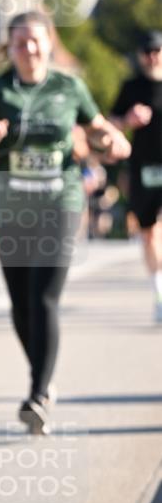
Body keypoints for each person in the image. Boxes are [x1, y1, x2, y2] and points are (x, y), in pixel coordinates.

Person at [0, 11, 130, 434]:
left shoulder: (68, 86)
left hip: (61, 201)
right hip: (11, 209)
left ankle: (37, 395)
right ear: (9, 47)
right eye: (20, 43)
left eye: (36, 41)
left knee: (44, 297)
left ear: (49, 42)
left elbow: (96, 127)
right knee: (20, 305)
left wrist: (113, 138)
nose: (30, 49)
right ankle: (44, 377)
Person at [110, 30, 162, 323]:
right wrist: (127, 120)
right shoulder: (131, 88)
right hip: (143, 169)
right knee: (150, 233)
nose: (153, 57)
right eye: (147, 52)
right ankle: (159, 292)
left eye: (157, 51)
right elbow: (108, 123)